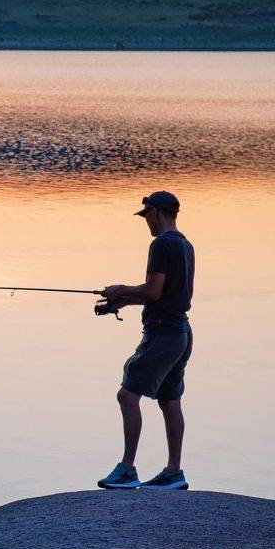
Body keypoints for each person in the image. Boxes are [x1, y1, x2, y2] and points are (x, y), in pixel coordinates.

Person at [93, 191, 194, 490]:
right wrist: (120, 302)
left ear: (155, 212)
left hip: (162, 334)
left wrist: (119, 287)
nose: (145, 222)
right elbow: (164, 294)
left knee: (127, 396)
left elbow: (152, 292)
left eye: (146, 215)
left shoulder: (161, 243)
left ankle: (127, 470)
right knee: (169, 400)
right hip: (181, 332)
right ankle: (174, 473)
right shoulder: (185, 244)